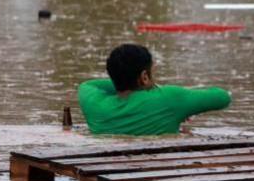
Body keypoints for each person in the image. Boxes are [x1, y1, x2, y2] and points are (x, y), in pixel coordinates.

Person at [78, 44, 231, 135]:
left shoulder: (94, 104)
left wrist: (121, 81)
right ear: (144, 76)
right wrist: (159, 90)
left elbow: (88, 85)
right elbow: (223, 97)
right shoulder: (169, 98)